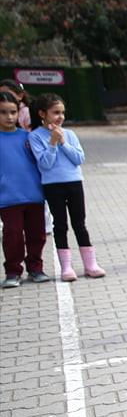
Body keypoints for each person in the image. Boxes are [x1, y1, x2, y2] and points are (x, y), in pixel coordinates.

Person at [28, 93, 108, 280]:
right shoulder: (35, 136)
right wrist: (53, 142)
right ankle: (66, 267)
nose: (60, 117)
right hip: (52, 186)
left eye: (62, 113)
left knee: (79, 223)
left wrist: (63, 141)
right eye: (55, 112)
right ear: (42, 114)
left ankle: (91, 264)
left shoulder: (70, 134)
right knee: (61, 225)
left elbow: (78, 159)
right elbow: (45, 164)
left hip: (74, 183)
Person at [0, 92, 48, 287]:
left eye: (13, 112)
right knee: (12, 235)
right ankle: (13, 271)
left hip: (34, 195)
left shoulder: (29, 137)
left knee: (37, 234)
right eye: (3, 112)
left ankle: (35, 268)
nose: (9, 117)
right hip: (7, 198)